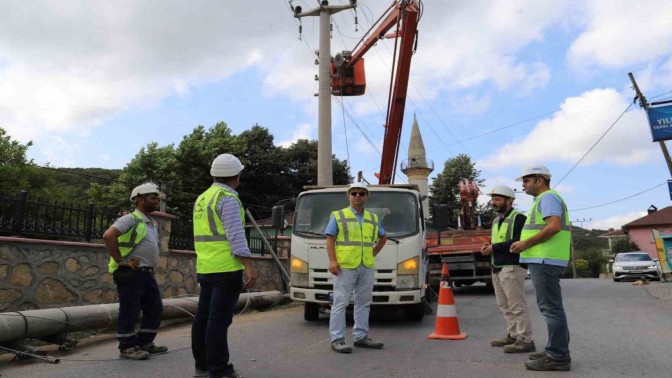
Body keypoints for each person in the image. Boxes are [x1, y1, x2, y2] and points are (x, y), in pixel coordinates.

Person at [191, 154, 257, 378]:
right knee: (218, 321)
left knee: (203, 319)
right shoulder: (227, 198)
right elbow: (236, 236)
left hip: (206, 267)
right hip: (226, 268)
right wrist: (248, 266)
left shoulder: (203, 198)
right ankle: (219, 371)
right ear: (236, 176)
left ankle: (202, 367)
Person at [509, 165, 572, 371]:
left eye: (526, 181)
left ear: (539, 180)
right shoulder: (543, 200)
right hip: (544, 261)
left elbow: (553, 226)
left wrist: (525, 244)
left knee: (551, 309)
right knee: (551, 309)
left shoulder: (547, 198)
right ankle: (555, 350)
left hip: (545, 261)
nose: (523, 185)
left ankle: (558, 356)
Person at [103, 182, 168, 360]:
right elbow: (108, 235)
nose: (156, 201)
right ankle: (127, 347)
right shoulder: (130, 219)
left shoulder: (150, 222)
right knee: (130, 310)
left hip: (146, 273)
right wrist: (120, 261)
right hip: (132, 273)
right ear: (139, 199)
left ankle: (144, 342)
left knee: (155, 308)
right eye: (153, 198)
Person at [324, 182, 388, 353]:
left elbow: (383, 237)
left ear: (366, 196)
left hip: (366, 265)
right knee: (340, 302)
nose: (357, 196)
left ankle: (361, 337)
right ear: (349, 196)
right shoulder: (338, 215)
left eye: (361, 193)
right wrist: (332, 261)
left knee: (364, 303)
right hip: (345, 266)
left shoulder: (372, 218)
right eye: (354, 193)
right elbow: (330, 238)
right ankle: (337, 339)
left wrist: (373, 253)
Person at [480, 185, 534, 353]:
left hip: (512, 266)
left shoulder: (519, 218)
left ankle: (526, 340)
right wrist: (488, 246)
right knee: (504, 305)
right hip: (498, 267)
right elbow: (498, 241)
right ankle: (513, 335)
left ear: (510, 201)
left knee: (517, 305)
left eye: (497, 199)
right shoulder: (496, 220)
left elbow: (520, 240)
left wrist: (494, 248)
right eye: (492, 199)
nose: (493, 202)